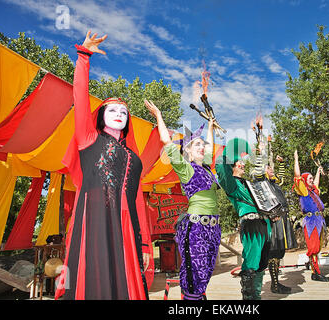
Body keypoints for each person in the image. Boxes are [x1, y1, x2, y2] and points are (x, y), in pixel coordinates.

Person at [55, 31, 153, 300]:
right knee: (95, 281)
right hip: (94, 220)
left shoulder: (135, 158)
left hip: (126, 225)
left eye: (124, 113)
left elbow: (139, 204)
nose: (119, 114)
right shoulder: (89, 139)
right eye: (113, 110)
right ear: (101, 116)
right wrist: (84, 57)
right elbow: (81, 97)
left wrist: (145, 243)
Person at [145, 99, 221, 300]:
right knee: (194, 272)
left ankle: (198, 297)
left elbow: (211, 147)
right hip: (196, 227)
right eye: (197, 145)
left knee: (205, 272)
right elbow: (166, 141)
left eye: (202, 145)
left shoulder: (206, 168)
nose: (202, 147)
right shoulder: (185, 168)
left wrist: (211, 127)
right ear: (187, 150)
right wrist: (159, 115)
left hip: (213, 226)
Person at [215, 138, 271, 300]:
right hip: (251, 224)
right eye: (240, 162)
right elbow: (221, 167)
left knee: (262, 263)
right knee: (252, 261)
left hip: (264, 223)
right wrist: (230, 152)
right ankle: (249, 300)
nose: (244, 164)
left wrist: (260, 152)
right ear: (233, 166)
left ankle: (257, 297)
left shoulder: (249, 183)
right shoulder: (231, 184)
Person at [253, 152, 297, 294]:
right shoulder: (260, 180)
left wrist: (282, 163)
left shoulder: (274, 182)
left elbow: (282, 178)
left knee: (279, 251)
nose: (272, 171)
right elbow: (258, 172)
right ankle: (275, 285)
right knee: (273, 251)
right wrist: (259, 154)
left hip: (282, 218)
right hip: (273, 219)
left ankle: (276, 283)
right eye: (269, 168)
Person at [292, 150, 329, 282]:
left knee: (317, 247)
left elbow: (317, 184)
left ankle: (315, 271)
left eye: (312, 178)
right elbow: (297, 175)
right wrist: (296, 159)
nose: (312, 180)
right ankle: (315, 272)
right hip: (311, 220)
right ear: (304, 181)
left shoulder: (314, 191)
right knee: (313, 248)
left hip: (319, 220)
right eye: (310, 178)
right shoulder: (303, 190)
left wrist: (318, 171)